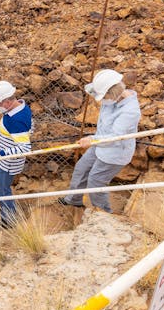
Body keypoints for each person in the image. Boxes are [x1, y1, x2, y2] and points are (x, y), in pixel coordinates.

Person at [59, 69, 141, 213]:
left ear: (113, 93)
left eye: (104, 96)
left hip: (114, 152)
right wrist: (94, 140)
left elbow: (115, 137)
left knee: (96, 181)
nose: (102, 100)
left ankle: (102, 213)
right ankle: (74, 200)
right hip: (99, 144)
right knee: (81, 168)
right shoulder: (113, 97)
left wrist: (91, 139)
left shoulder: (130, 111)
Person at [0, 80, 33, 229]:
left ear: (7, 102)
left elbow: (25, 148)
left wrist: (1, 154)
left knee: (2, 190)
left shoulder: (15, 120)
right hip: (2, 161)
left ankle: (8, 218)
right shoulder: (20, 107)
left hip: (7, 163)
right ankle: (6, 207)